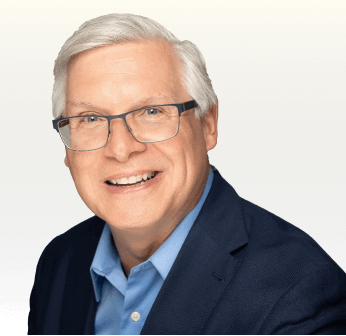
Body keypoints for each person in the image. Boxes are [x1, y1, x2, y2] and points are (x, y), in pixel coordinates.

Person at [27, 13, 346, 335]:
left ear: (208, 124)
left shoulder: (298, 289)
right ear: (67, 150)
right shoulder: (61, 260)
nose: (121, 149)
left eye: (151, 112)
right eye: (91, 119)